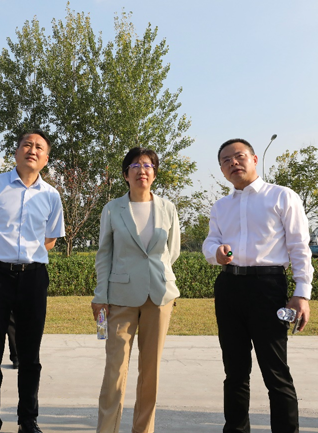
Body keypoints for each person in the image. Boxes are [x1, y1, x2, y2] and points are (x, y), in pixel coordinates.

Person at [202, 138, 313, 433]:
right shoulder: (221, 206)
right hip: (229, 288)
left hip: (268, 287)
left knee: (276, 372)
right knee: (235, 372)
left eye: (239, 156)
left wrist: (301, 293)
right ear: (222, 170)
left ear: (254, 159)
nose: (233, 163)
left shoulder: (281, 197)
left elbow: (300, 247)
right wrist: (215, 252)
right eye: (226, 160)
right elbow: (211, 241)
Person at [0, 129, 65, 433]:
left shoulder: (51, 195)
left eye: (39, 147)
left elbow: (50, 239)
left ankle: (28, 419)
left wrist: (26, 256)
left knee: (30, 354)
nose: (32, 150)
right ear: (16, 151)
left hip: (33, 277)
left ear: (46, 158)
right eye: (27, 144)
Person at [91, 147, 181, 433]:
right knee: (115, 370)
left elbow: (172, 252)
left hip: (159, 296)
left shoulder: (168, 208)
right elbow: (104, 254)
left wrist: (159, 278)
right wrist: (100, 296)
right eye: (136, 165)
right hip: (120, 298)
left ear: (154, 173)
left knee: (150, 371)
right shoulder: (112, 208)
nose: (142, 170)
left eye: (148, 165)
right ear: (125, 174)